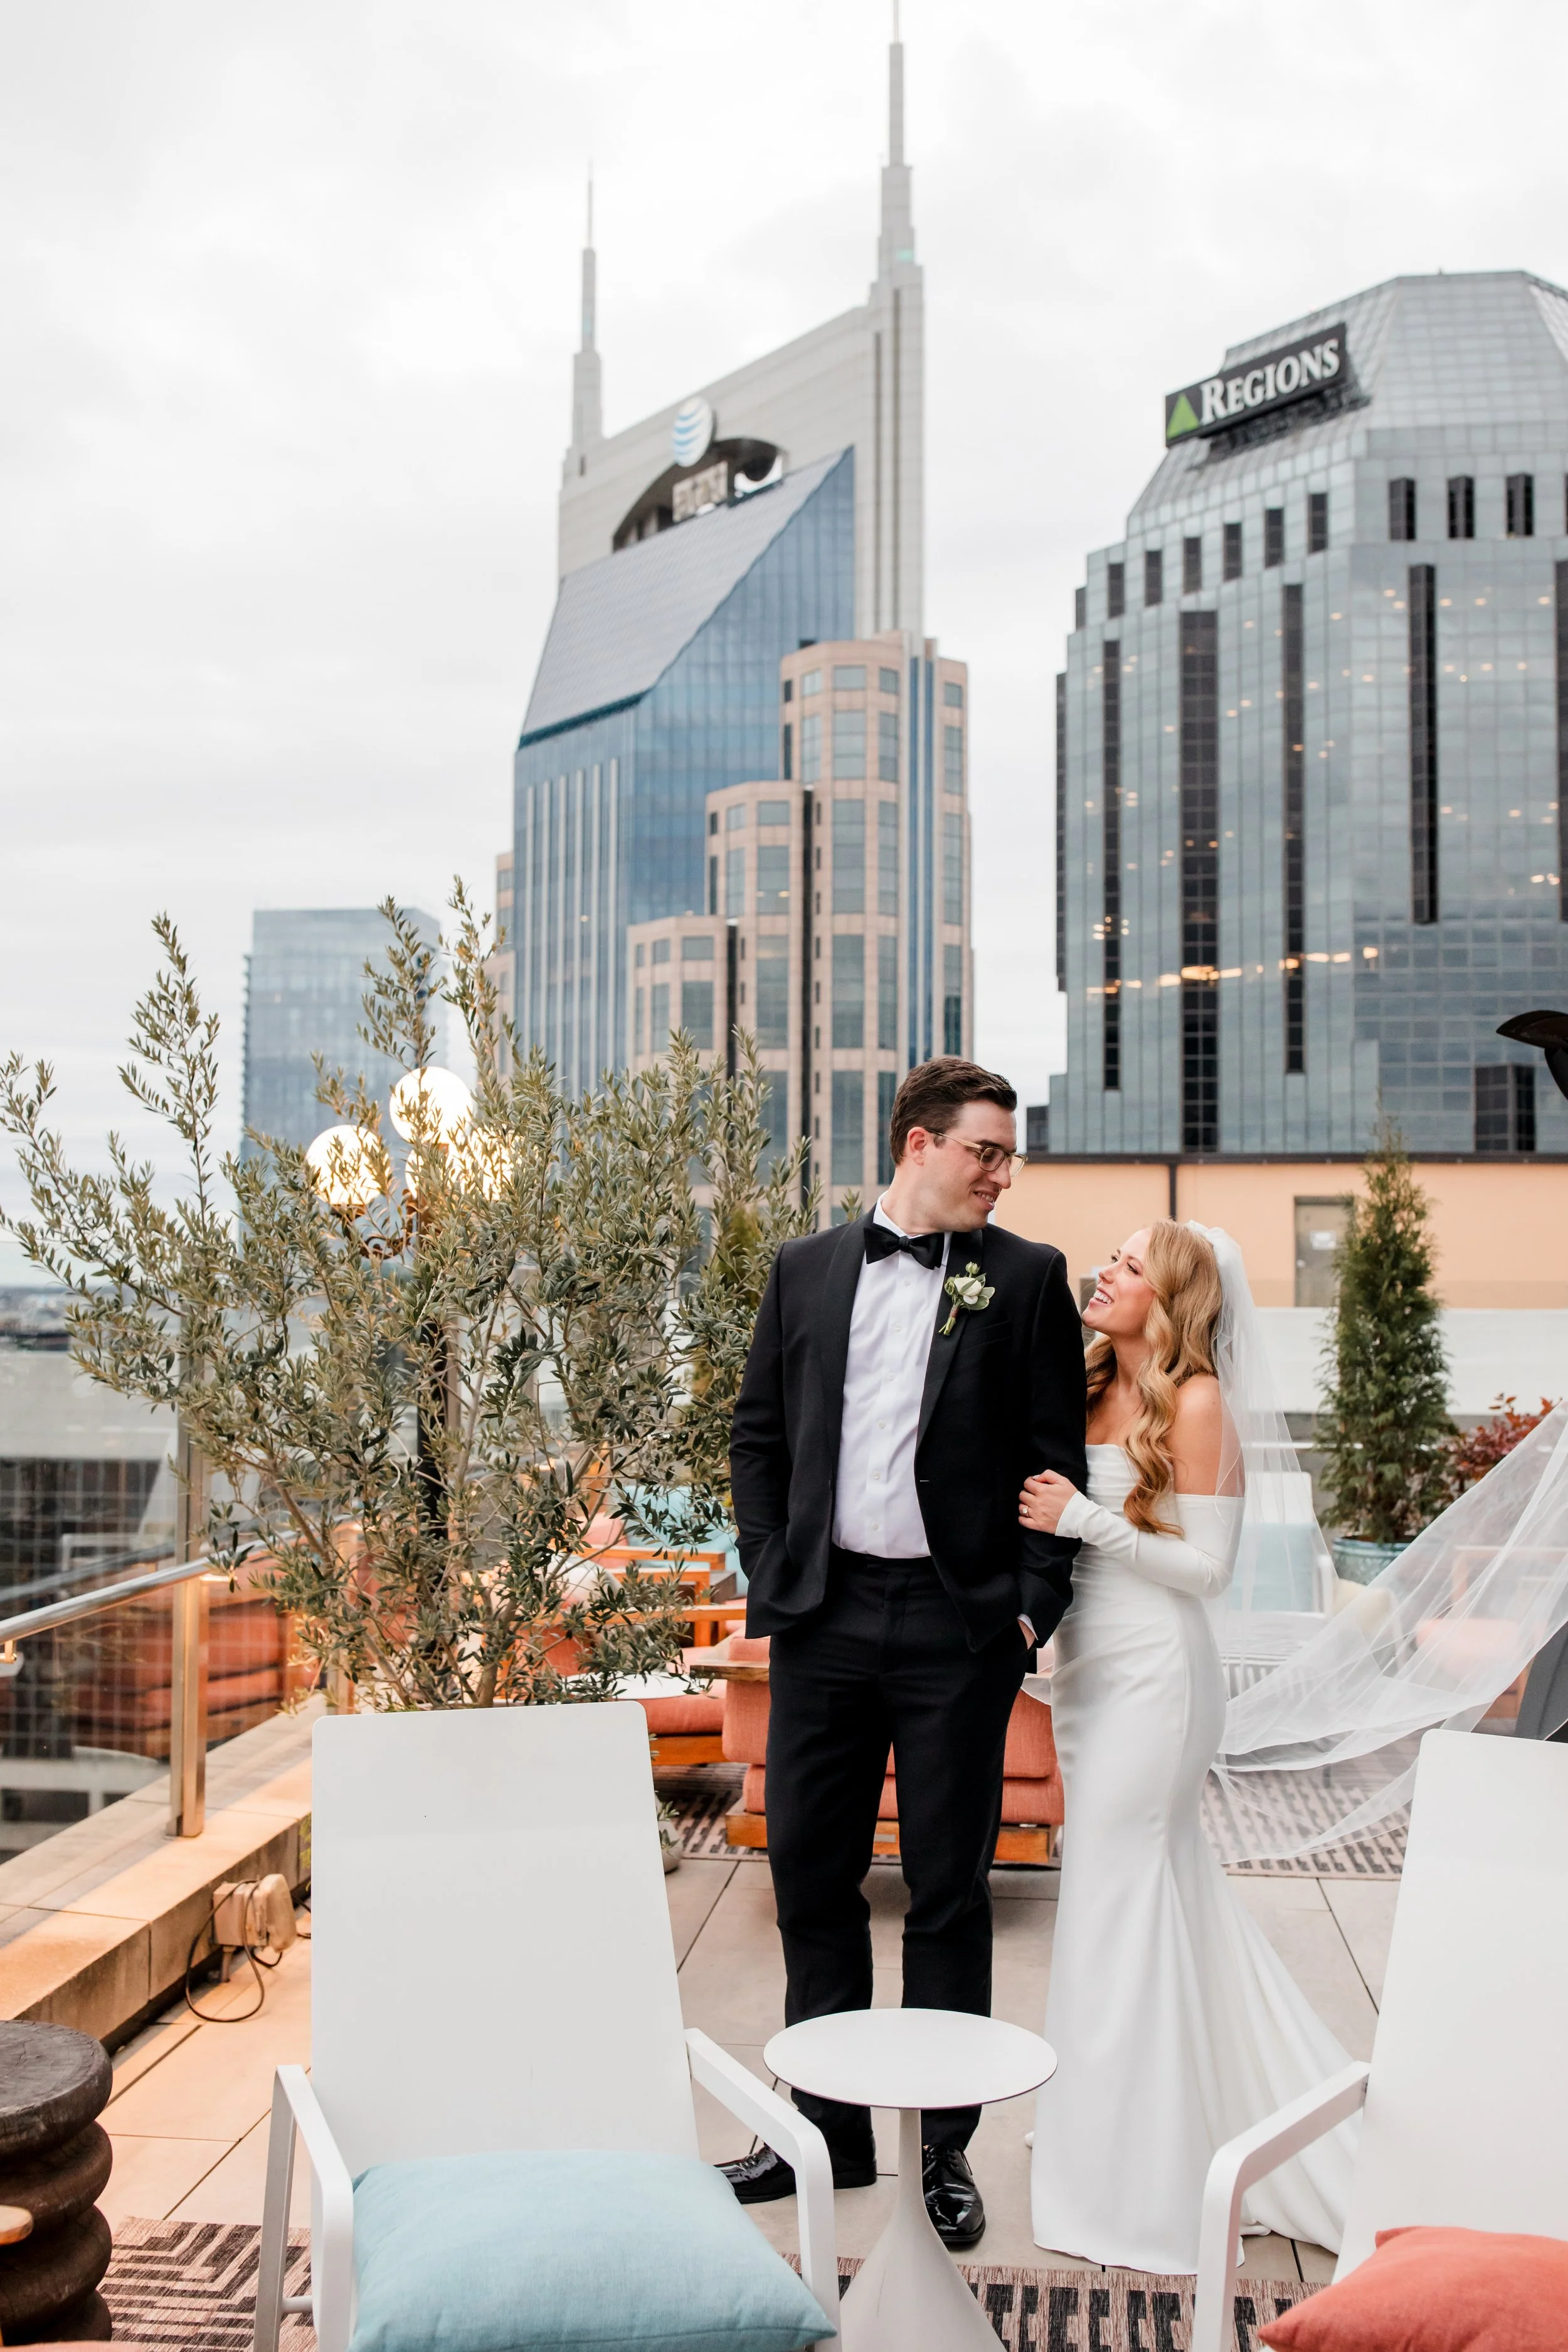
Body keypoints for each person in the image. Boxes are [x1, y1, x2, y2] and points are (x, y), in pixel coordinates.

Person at [725, 1057, 1088, 2249]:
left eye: (1008, 1154)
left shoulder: (1026, 1279)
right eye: (986, 1149)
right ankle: (824, 2140)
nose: (1002, 1172)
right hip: (823, 1620)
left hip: (956, 1627)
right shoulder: (805, 1267)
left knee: (948, 1892)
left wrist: (1030, 1611)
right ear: (919, 1144)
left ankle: (943, 2148)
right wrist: (776, 1564)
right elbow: (760, 1434)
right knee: (812, 1883)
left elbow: (1055, 1459)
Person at [1021, 1221, 1356, 2272]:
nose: (1101, 1272)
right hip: (1089, 1674)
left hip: (1160, 1680)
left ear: (1168, 1297)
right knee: (1140, 1902)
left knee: (1117, 1904)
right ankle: (1154, 2124)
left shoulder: (1199, 1399)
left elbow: (1208, 1570)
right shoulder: (1083, 1388)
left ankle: (1134, 2176)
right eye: (1108, 1259)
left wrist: (1087, 1517)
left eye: (1125, 1265)